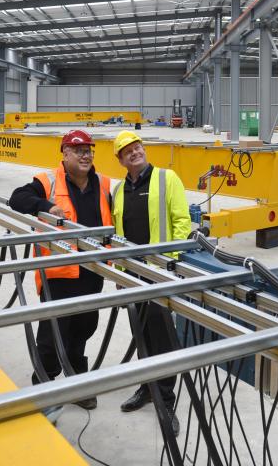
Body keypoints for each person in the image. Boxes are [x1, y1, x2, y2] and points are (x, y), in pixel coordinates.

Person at [9, 129, 112, 415]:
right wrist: (45, 206)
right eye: (78, 150)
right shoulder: (47, 182)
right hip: (58, 276)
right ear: (64, 153)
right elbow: (17, 199)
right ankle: (44, 387)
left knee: (84, 328)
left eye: (89, 150)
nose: (86, 154)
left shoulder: (103, 184)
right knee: (52, 336)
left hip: (92, 273)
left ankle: (77, 383)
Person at [111, 130, 191, 436]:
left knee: (163, 338)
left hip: (160, 273)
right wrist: (120, 271)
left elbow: (182, 222)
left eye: (137, 146)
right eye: (127, 150)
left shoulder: (166, 178)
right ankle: (147, 388)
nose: (135, 152)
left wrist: (171, 264)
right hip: (132, 275)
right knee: (140, 334)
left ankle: (166, 401)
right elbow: (119, 233)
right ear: (120, 159)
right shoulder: (119, 190)